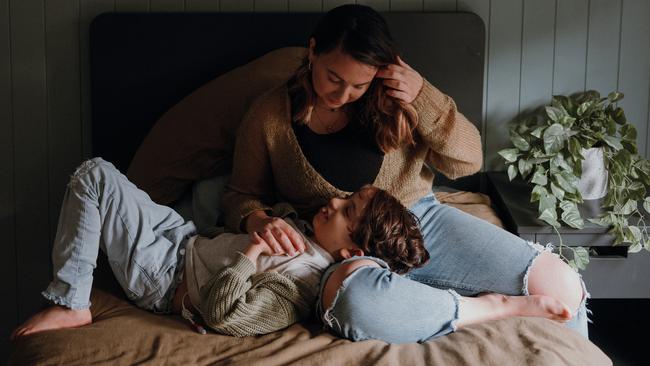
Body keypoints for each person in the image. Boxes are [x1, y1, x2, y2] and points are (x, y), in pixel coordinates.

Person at [221, 4, 589, 343]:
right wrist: (256, 219)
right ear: (313, 50)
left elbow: (468, 162)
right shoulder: (269, 115)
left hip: (422, 223)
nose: (344, 93)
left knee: (563, 286)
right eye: (333, 77)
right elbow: (240, 194)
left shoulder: (399, 100)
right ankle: (484, 309)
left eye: (359, 84)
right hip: (338, 247)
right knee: (359, 301)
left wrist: (422, 96)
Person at [11, 158, 431, 339]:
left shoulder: (300, 285)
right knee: (204, 185)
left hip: (165, 275)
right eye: (347, 197)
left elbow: (224, 313)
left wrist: (251, 253)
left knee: (94, 175)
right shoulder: (309, 234)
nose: (335, 201)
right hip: (183, 238)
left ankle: (71, 301)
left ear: (351, 253)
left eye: (348, 210)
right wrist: (265, 218)